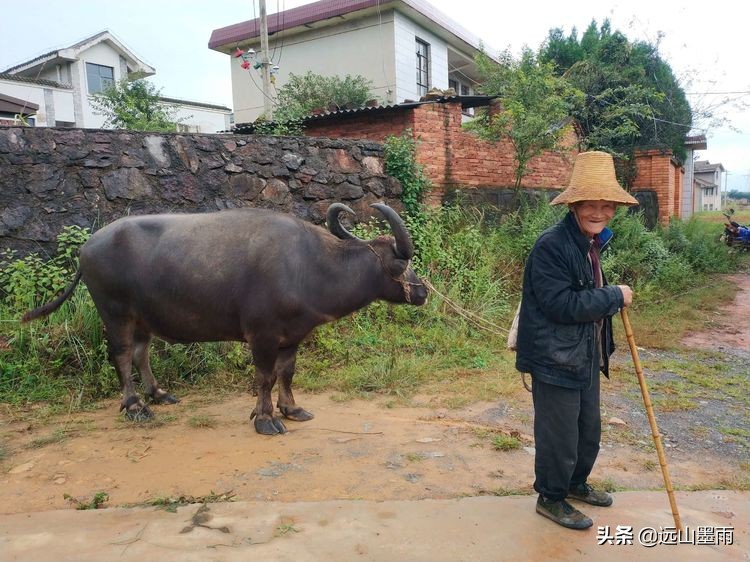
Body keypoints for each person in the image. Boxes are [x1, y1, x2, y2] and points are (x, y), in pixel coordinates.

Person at [515, 151, 636, 530]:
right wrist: (615, 295)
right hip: (554, 358)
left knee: (588, 431)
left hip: (583, 355)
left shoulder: (591, 241)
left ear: (614, 208)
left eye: (605, 205)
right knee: (559, 435)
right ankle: (551, 497)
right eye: (590, 204)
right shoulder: (552, 245)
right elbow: (560, 304)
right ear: (575, 205)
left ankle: (575, 484)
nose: (598, 212)